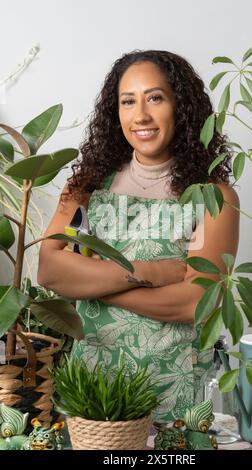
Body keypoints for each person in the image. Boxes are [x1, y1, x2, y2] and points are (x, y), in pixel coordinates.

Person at [38, 50, 239, 423]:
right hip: (90, 395)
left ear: (181, 106)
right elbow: (50, 269)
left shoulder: (212, 196)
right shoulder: (85, 187)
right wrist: (149, 272)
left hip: (175, 398)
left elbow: (194, 304)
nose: (141, 115)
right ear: (115, 112)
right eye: (128, 101)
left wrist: (90, 279)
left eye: (155, 98)